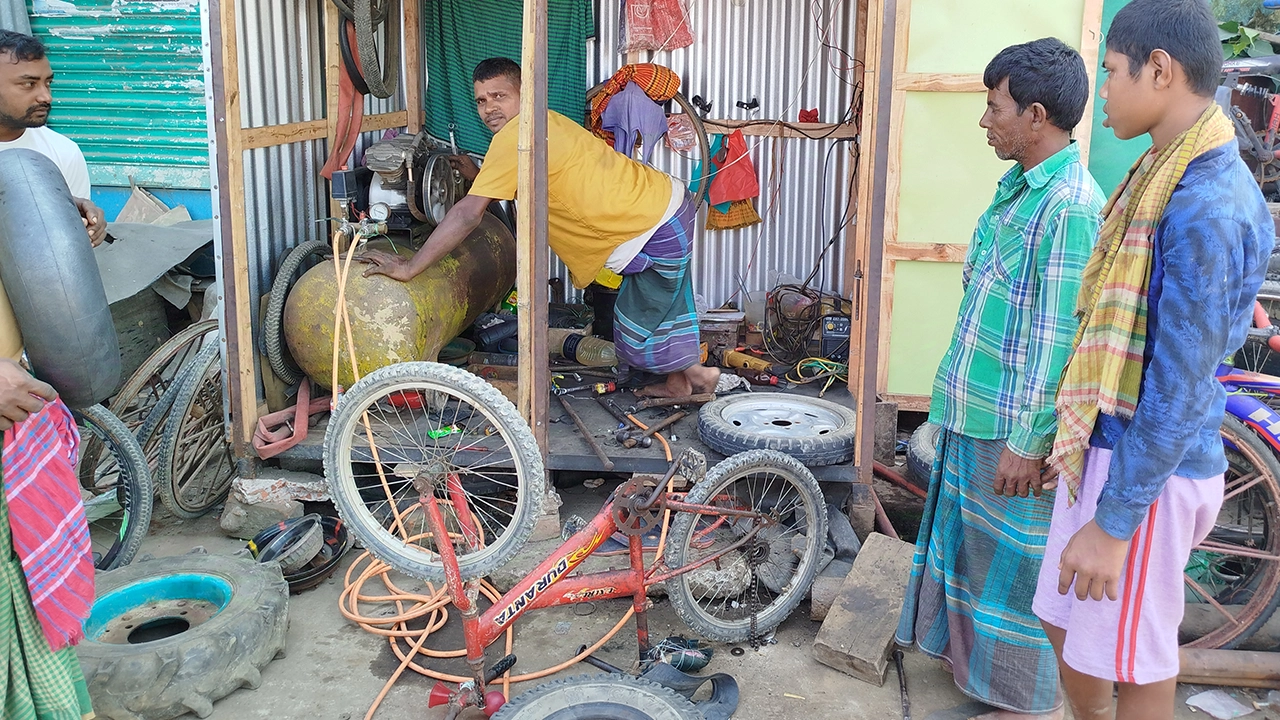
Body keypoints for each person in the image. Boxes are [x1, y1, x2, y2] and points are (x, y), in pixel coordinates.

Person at [1033, 1, 1274, 718]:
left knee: (1133, 659)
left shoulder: (1205, 203)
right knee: (1062, 620)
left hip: (1150, 470)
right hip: (1110, 447)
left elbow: (1179, 383)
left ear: (1159, 70)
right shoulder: (1166, 171)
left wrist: (1115, 523)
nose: (1101, 91)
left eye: (1110, 73)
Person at [895, 38, 1104, 719]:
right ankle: (979, 680)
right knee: (976, 560)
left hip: (1010, 427)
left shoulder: (1069, 205)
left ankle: (1022, 706)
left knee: (1014, 582)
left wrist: (1030, 440)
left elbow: (1057, 342)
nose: (985, 121)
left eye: (995, 108)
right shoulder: (1020, 186)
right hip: (974, 409)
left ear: (1035, 114)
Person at [360, 57, 721, 398]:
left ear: (523, 94)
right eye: (482, 100)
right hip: (664, 205)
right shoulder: (541, 120)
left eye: (500, 96)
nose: (489, 108)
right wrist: (479, 176)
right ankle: (679, 383)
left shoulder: (515, 135)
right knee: (663, 304)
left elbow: (468, 214)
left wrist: (409, 267)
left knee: (643, 315)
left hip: (652, 223)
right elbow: (536, 177)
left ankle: (699, 375)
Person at [0, 30, 107, 366]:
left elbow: (67, 259)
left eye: (48, 82)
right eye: (28, 84)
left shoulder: (62, 152)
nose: (45, 96)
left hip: (38, 322)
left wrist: (88, 230)